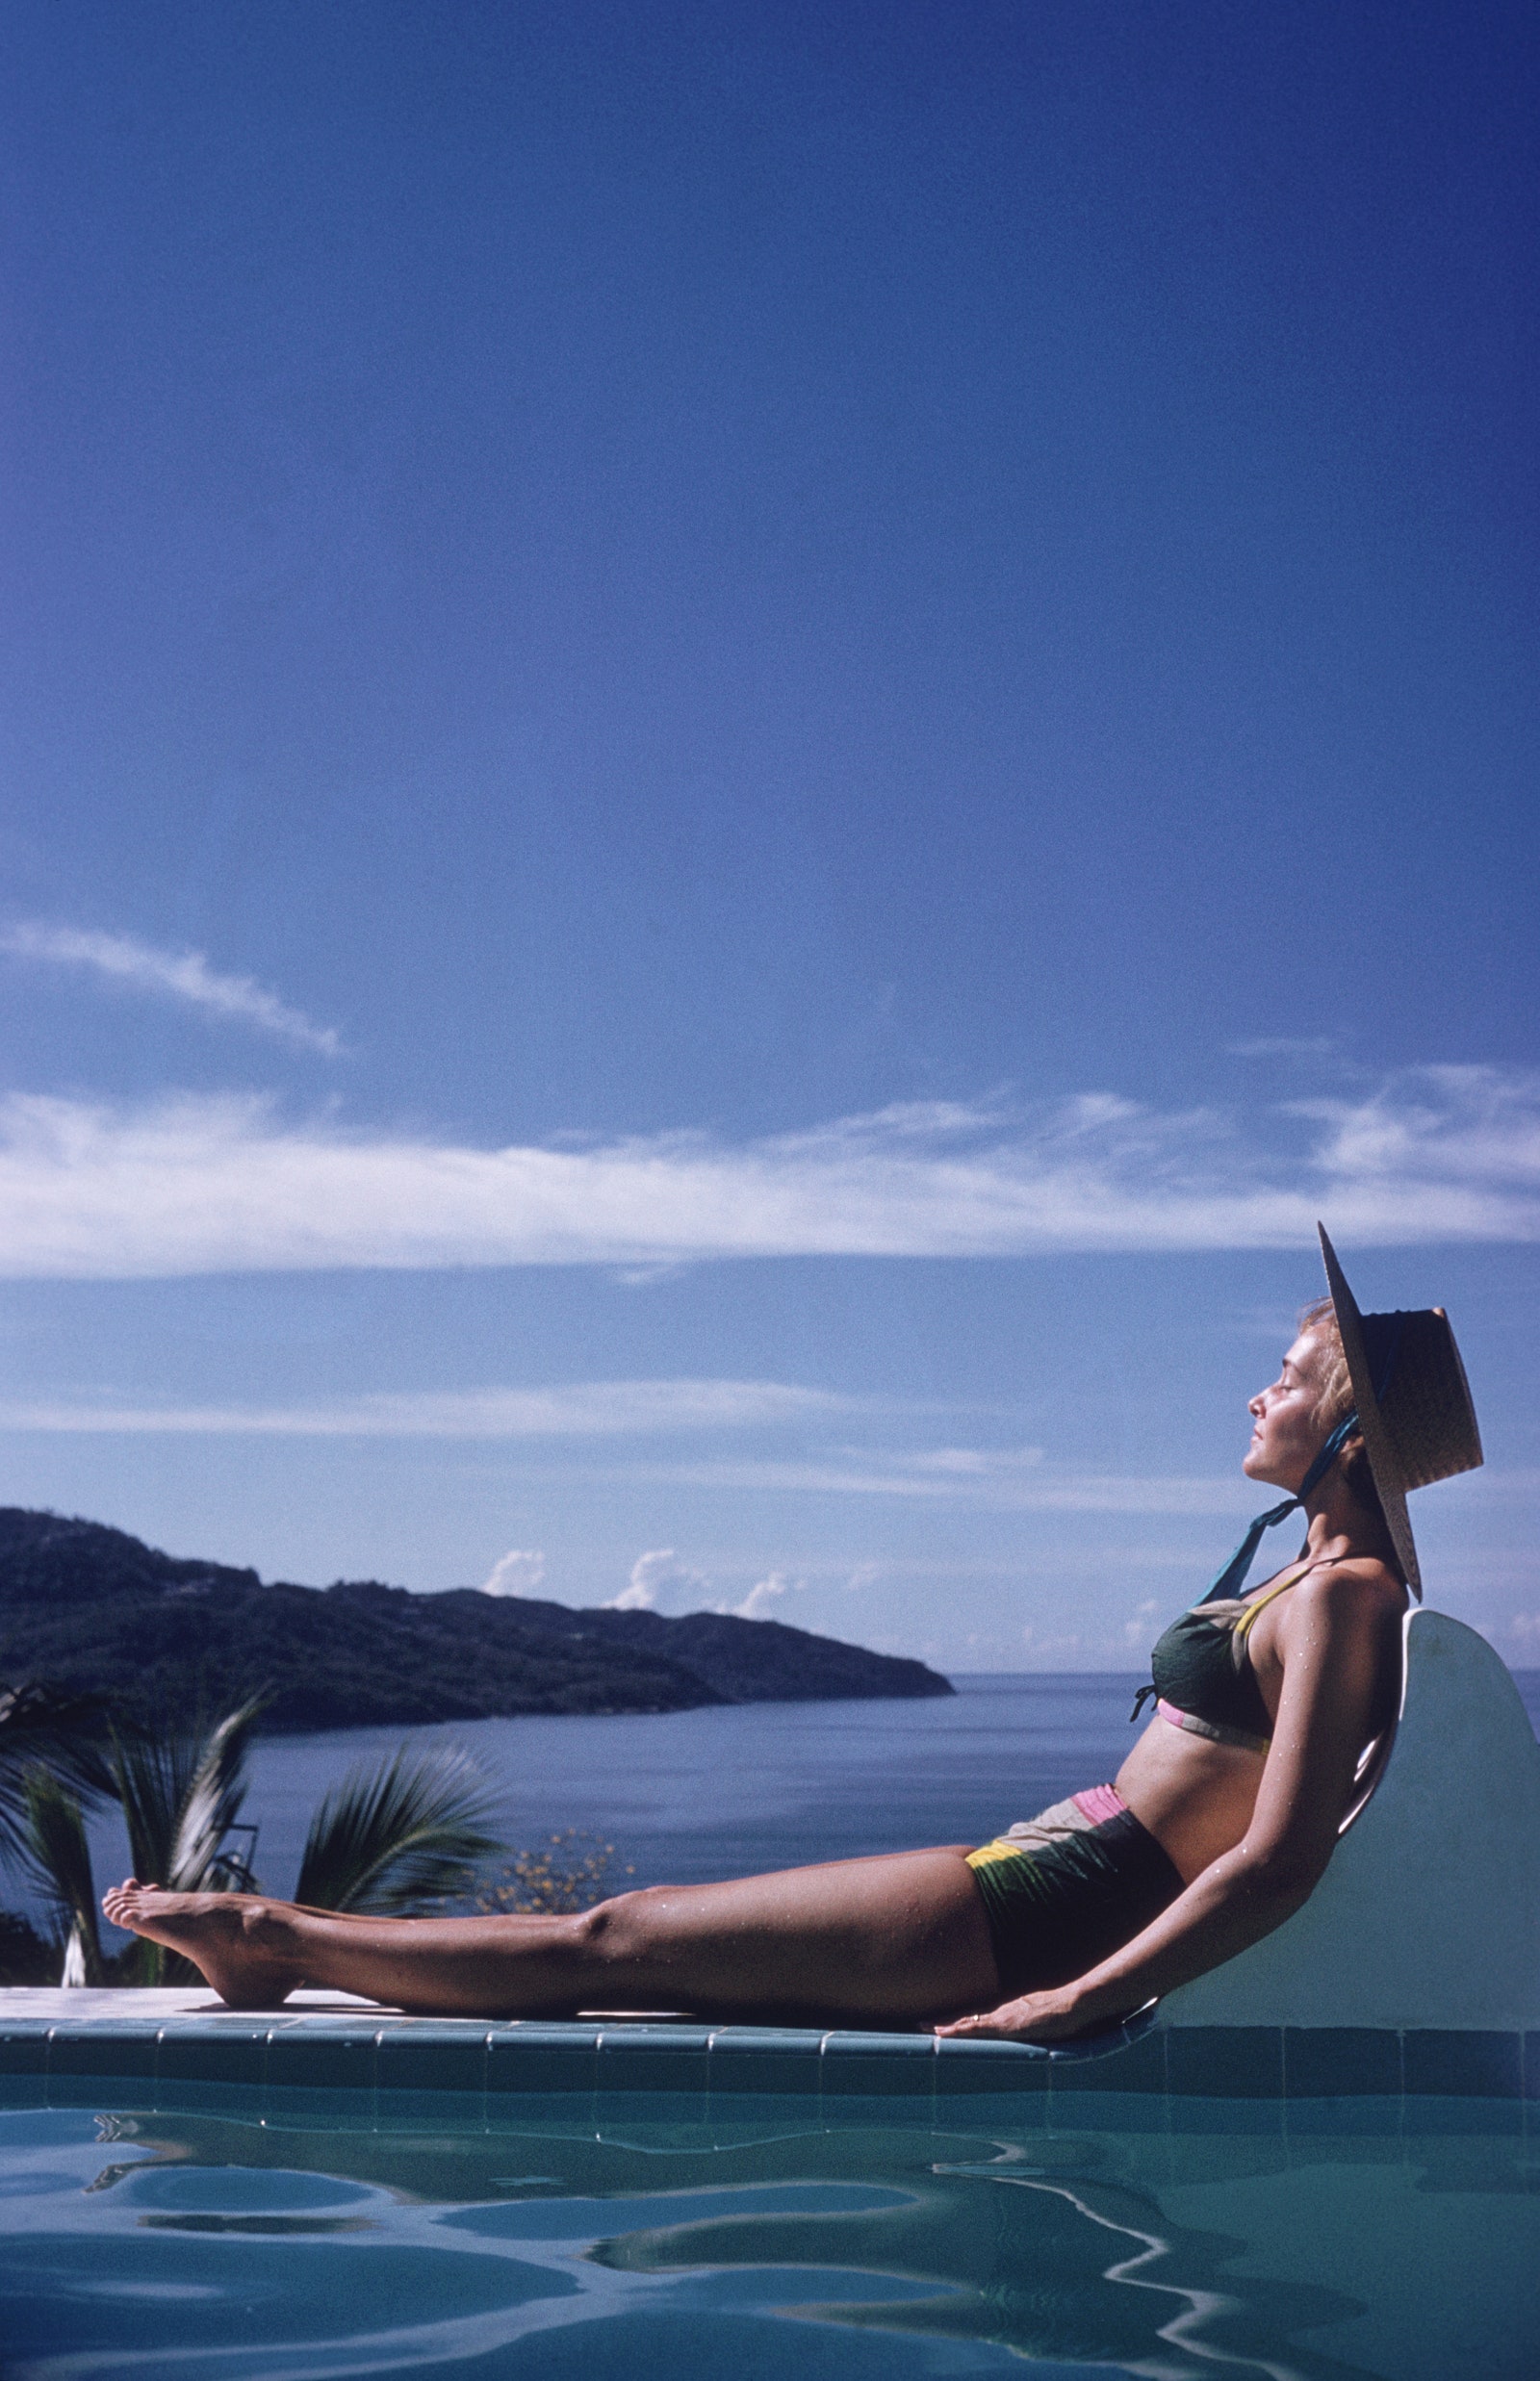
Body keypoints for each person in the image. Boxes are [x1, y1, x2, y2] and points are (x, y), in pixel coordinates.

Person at [103, 1228, 1481, 2040]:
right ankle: (280, 1936)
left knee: (620, 1936)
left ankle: (272, 1934)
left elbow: (1277, 1858)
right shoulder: (1307, 1579)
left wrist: (1081, 2000)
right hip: (1042, 1867)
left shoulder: (1346, 1598)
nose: (1256, 1396)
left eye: (1288, 1379)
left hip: (1064, 1907)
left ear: (1348, 1426)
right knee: (628, 1934)